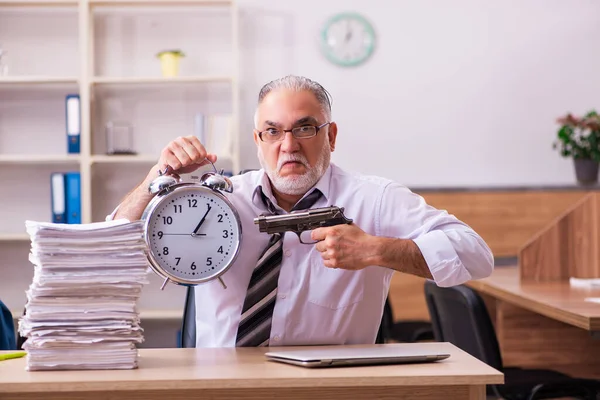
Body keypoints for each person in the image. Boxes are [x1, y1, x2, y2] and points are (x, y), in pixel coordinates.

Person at [110, 75, 494, 348]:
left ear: (331, 136)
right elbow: (106, 254)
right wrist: (154, 182)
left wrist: (377, 250)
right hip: (221, 387)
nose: (288, 145)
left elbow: (476, 255)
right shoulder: (215, 201)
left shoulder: (373, 200)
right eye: (273, 131)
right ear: (258, 141)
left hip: (330, 391)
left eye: (305, 128)